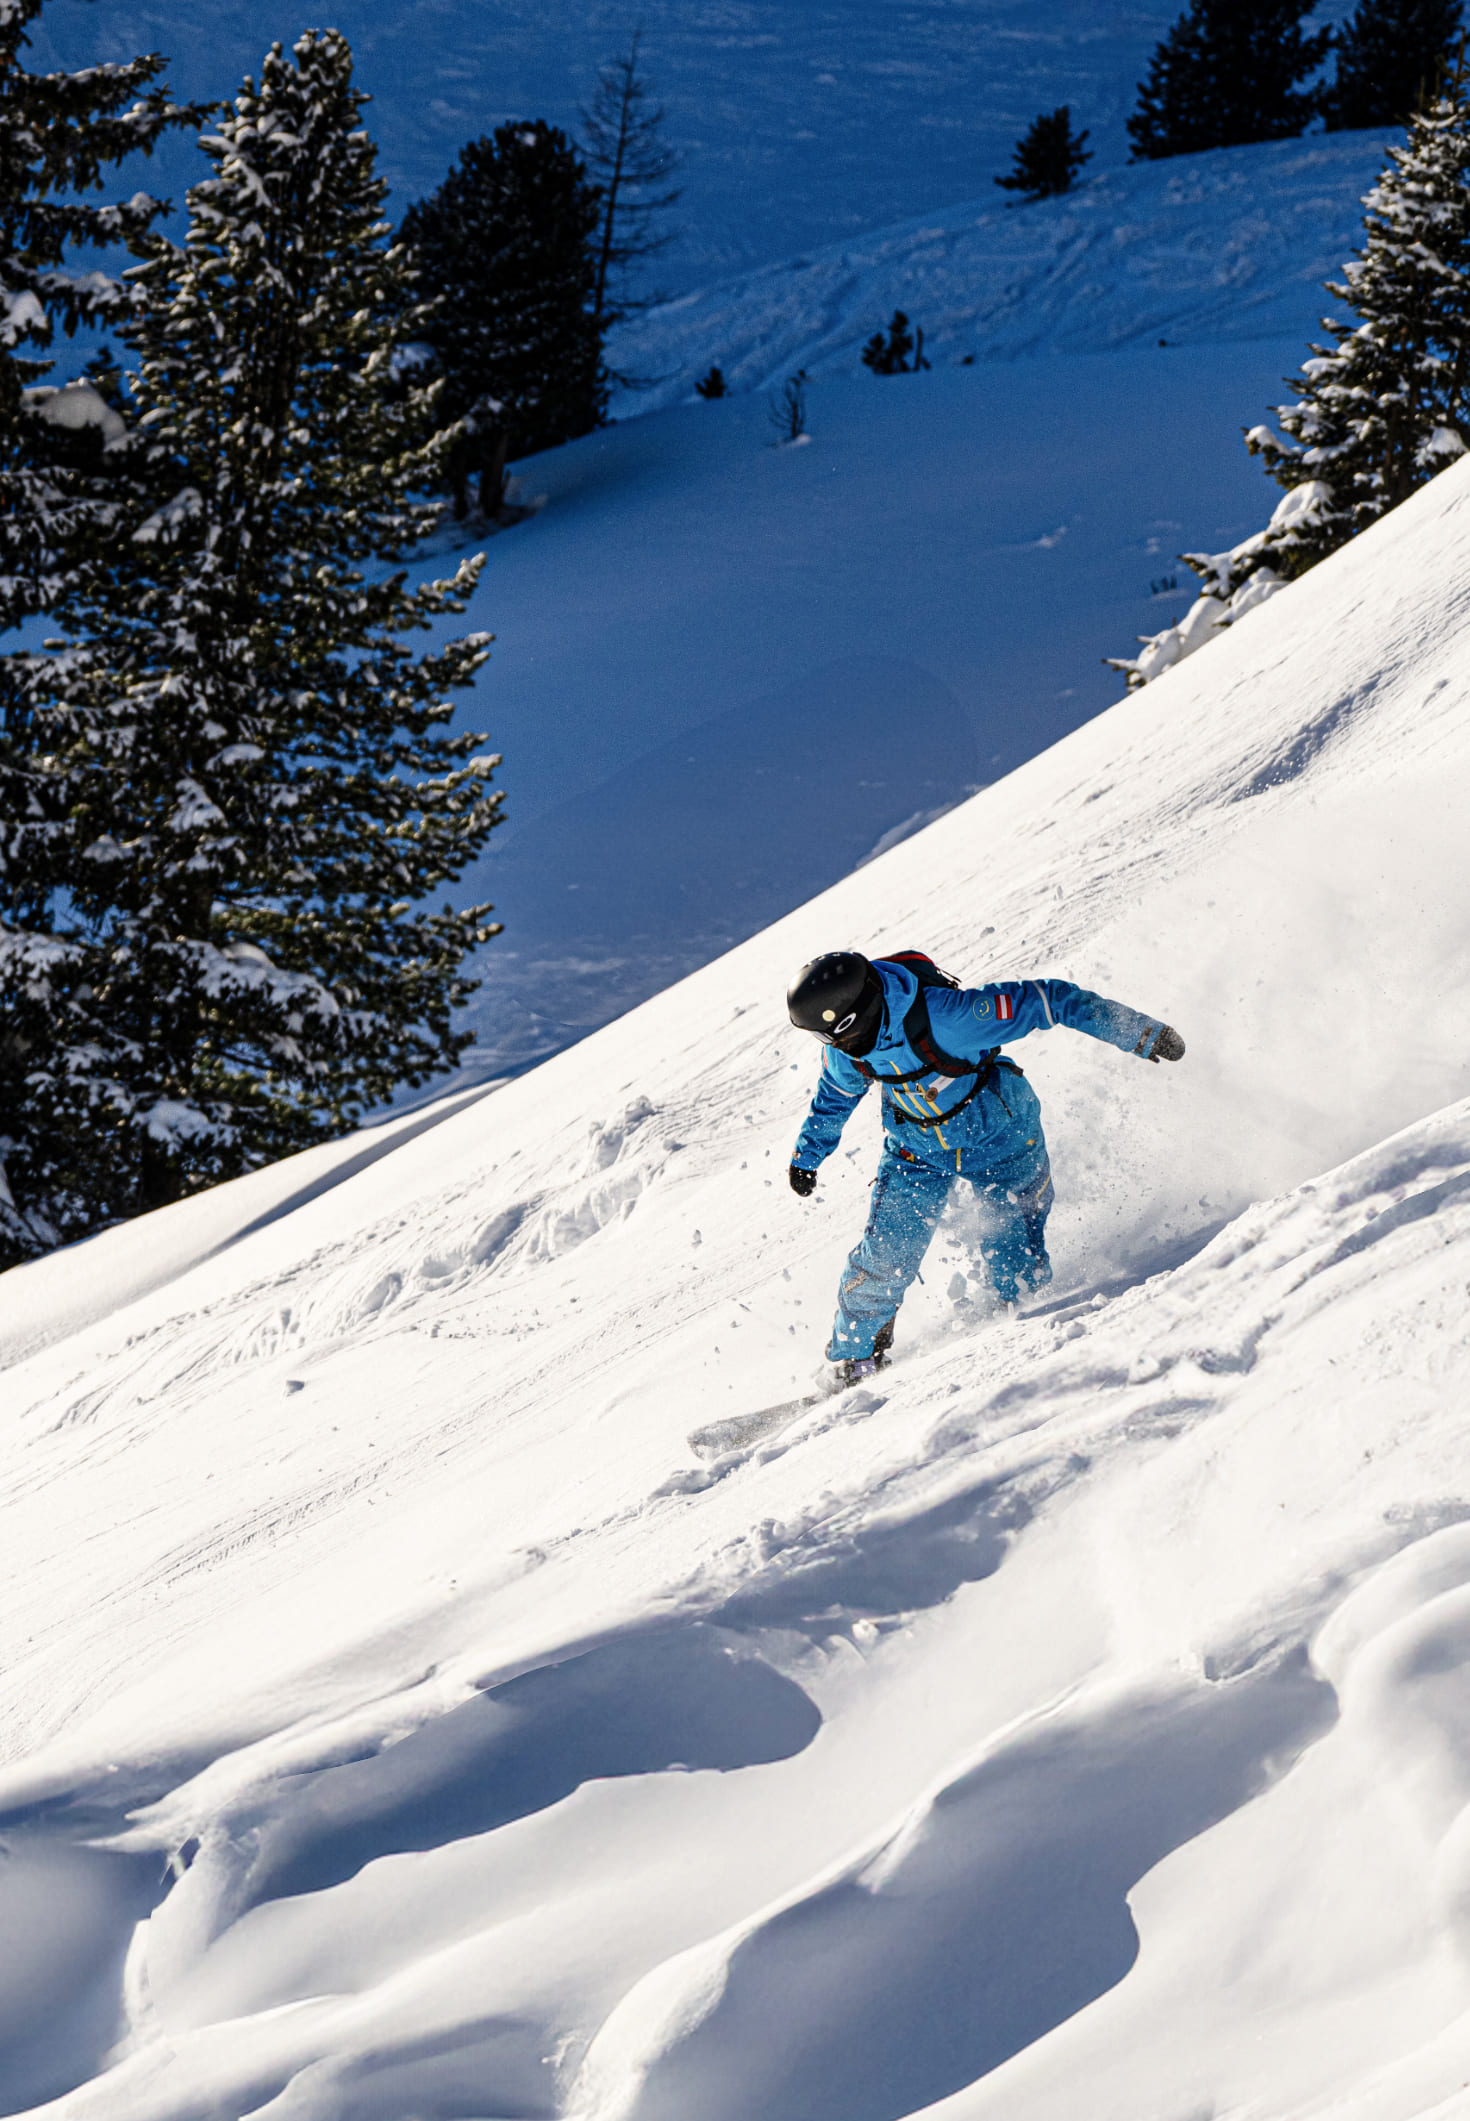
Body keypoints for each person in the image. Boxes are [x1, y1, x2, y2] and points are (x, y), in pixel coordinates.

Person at [787, 950, 1184, 1385]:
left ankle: (1013, 1335)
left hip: (1001, 1135)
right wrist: (807, 1156)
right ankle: (856, 1359)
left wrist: (1138, 1032)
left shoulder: (949, 1018)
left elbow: (1049, 1001)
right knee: (886, 1252)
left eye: (832, 1035)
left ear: (856, 1015)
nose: (831, 1045)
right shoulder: (846, 1051)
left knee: (1011, 1252)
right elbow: (833, 1098)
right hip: (914, 1148)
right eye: (822, 1038)